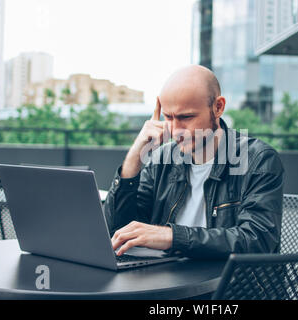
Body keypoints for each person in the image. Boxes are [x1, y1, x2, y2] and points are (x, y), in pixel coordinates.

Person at [104, 65, 284, 259]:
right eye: (168, 117)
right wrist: (134, 157)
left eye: (186, 117)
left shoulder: (258, 159)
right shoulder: (162, 160)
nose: (174, 130)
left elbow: (257, 240)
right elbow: (118, 231)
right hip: (170, 279)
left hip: (231, 286)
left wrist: (172, 237)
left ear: (218, 107)